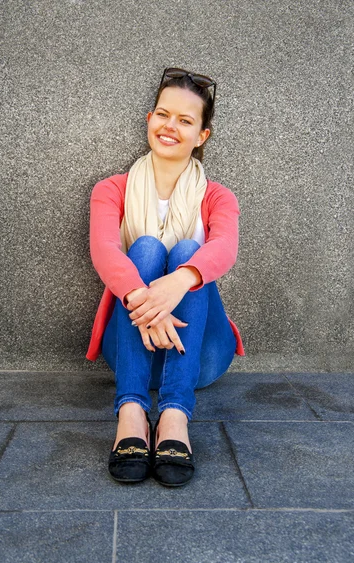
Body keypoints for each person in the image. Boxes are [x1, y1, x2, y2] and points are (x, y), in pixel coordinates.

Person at [86, 67, 244, 487]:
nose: (170, 126)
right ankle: (132, 412)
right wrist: (148, 301)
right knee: (146, 250)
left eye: (185, 120)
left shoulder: (216, 197)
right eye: (163, 114)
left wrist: (179, 282)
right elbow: (104, 252)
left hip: (198, 359)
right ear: (149, 120)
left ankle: (175, 414)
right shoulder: (111, 189)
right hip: (128, 353)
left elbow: (224, 249)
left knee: (190, 252)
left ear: (202, 136)